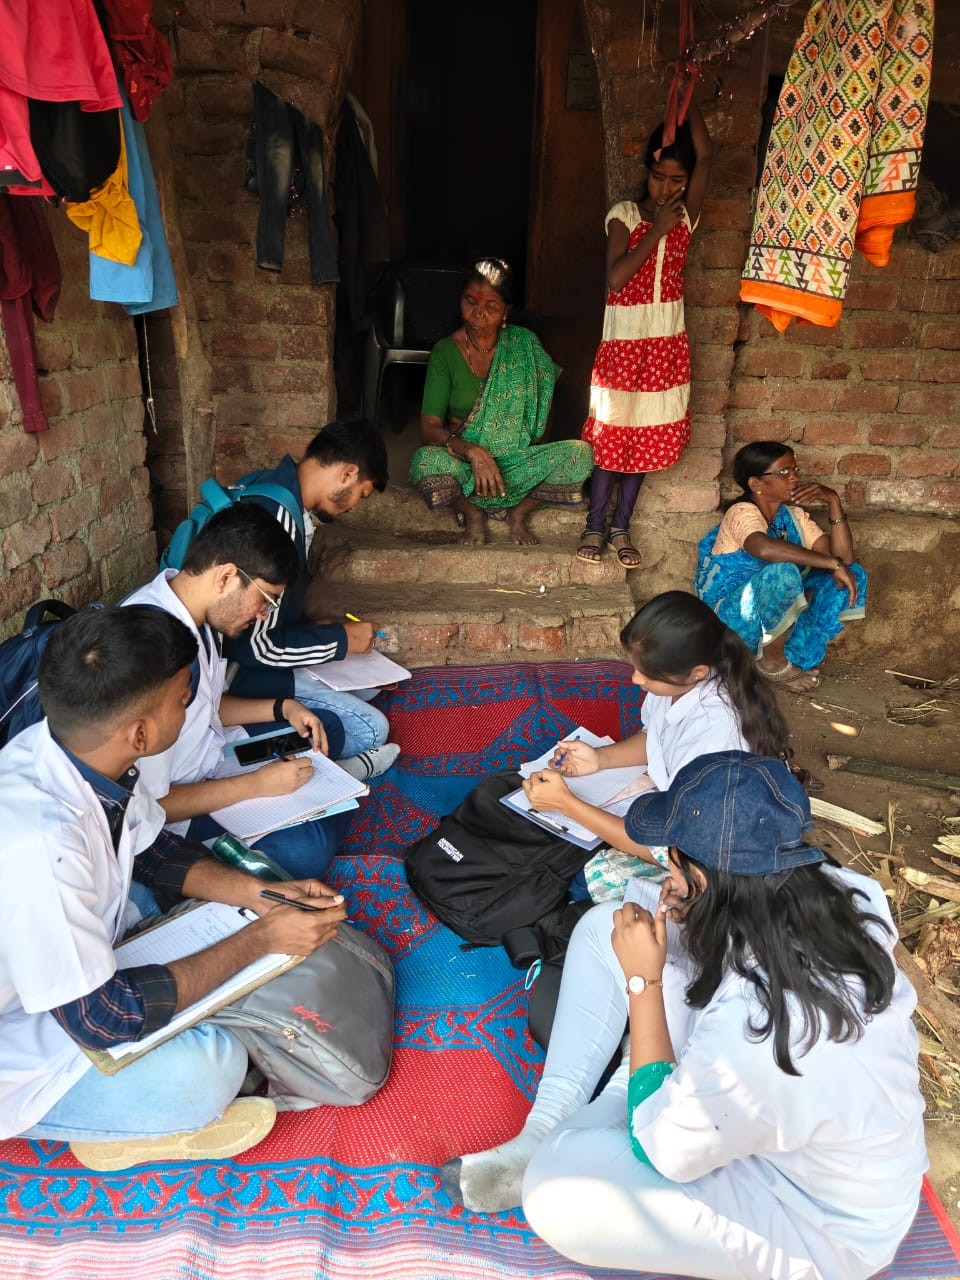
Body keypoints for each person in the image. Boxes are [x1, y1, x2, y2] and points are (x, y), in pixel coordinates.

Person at [442, 752, 926, 1280]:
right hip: (788, 1124)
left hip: (814, 1225)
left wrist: (643, 983)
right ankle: (545, 1124)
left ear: (701, 874)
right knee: (608, 925)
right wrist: (695, 912)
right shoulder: (846, 891)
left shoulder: (754, 1032)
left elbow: (662, 1150)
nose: (665, 871)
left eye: (671, 861)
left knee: (555, 1192)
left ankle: (593, 1112)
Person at [0, 606, 389, 1170]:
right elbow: (104, 1018)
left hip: (57, 967)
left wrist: (260, 895)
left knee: (176, 906)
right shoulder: (40, 843)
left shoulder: (75, 753)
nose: (194, 711)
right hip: (27, 1040)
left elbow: (155, 852)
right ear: (140, 733)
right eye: (184, 701)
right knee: (212, 1066)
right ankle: (119, 1125)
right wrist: (261, 940)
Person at [125, 503, 353, 880]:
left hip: (217, 757)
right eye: (266, 599)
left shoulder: (198, 615)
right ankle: (319, 799)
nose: (264, 615)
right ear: (227, 576)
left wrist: (283, 708)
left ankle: (322, 792)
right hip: (184, 808)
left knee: (325, 726)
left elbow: (206, 707)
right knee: (306, 852)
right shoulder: (153, 652)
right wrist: (255, 785)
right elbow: (150, 806)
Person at [516, 591, 789, 885]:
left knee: (586, 876)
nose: (635, 679)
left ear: (696, 673)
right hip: (683, 810)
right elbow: (656, 738)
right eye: (636, 668)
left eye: (647, 673)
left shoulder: (713, 737)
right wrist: (599, 759)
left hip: (714, 856)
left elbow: (681, 853)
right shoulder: (676, 685)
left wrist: (567, 805)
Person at [223, 416, 400, 782]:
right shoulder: (279, 520)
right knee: (371, 729)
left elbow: (270, 618)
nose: (354, 506)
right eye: (362, 494)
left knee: (366, 689)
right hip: (240, 674)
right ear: (348, 473)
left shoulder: (269, 487)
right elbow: (256, 648)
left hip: (250, 657)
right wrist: (340, 640)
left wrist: (319, 629)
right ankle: (328, 775)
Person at [577, 103, 711, 568]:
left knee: (644, 438)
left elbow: (707, 156)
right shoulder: (627, 215)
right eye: (658, 177)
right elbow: (616, 279)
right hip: (623, 344)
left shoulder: (686, 216)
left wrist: (688, 98)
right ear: (646, 173)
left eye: (677, 180)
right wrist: (656, 231)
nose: (666, 188)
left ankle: (621, 527)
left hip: (664, 344)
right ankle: (594, 524)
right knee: (613, 435)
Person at [408, 257, 593, 546]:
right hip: (465, 463)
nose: (478, 313)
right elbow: (428, 427)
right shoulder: (445, 352)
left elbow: (545, 398)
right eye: (470, 302)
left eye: (491, 306)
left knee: (581, 454)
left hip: (515, 462)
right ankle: (472, 512)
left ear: (506, 310)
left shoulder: (525, 344)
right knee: (423, 461)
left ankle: (519, 513)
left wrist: (532, 456)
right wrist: (473, 452)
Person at [695, 441, 868, 693]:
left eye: (795, 470)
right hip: (729, 623)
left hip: (768, 628)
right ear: (756, 484)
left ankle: (770, 661)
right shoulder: (741, 512)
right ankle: (772, 665)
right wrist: (831, 564)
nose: (794, 477)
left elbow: (844, 560)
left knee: (852, 575)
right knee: (783, 573)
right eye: (784, 472)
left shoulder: (793, 517)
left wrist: (833, 501)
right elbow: (764, 548)